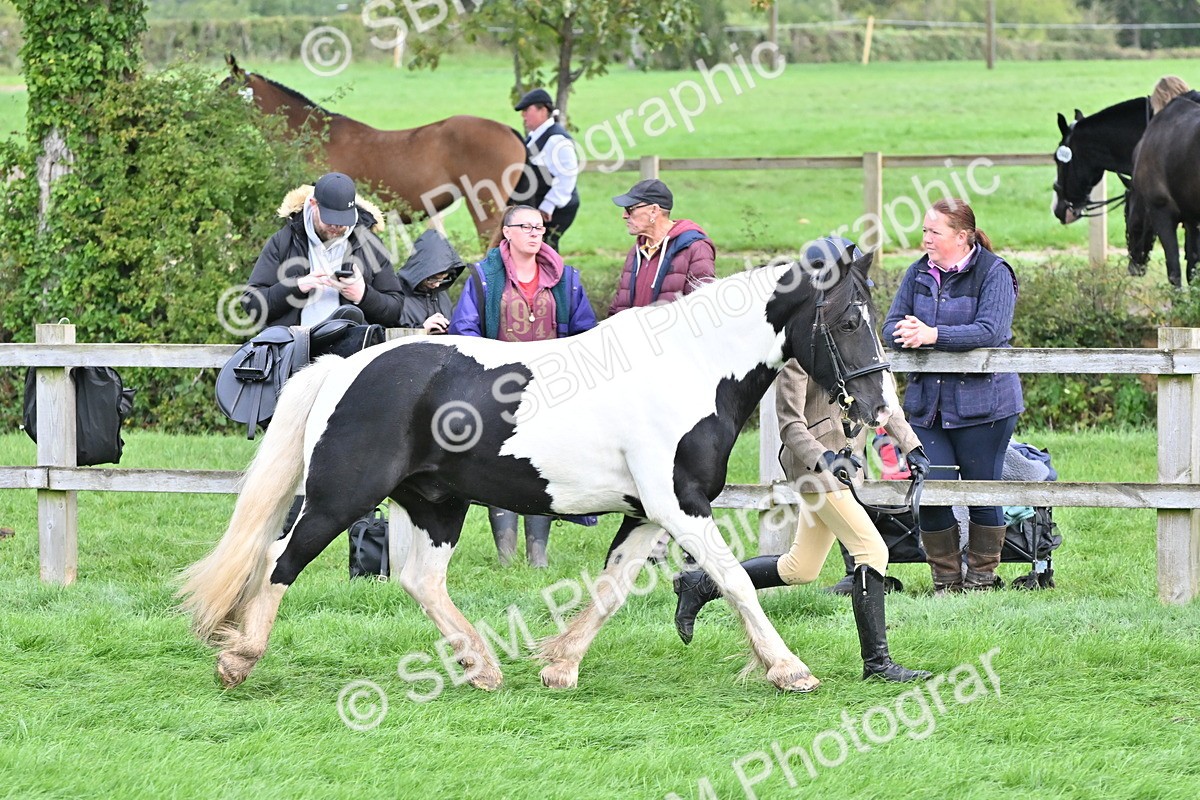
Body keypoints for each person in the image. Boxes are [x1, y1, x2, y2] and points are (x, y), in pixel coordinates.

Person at [671, 237, 933, 684]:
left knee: (800, 567)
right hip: (815, 471)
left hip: (847, 462)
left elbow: (880, 400)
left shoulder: (854, 329)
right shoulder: (799, 347)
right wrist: (824, 458)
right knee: (873, 549)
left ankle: (701, 583)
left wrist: (911, 445)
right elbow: (791, 425)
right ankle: (878, 665)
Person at [882, 198, 1024, 594]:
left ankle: (981, 579)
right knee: (930, 492)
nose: (925, 238)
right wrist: (907, 333)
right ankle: (946, 582)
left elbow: (991, 331)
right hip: (928, 407)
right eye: (925, 230)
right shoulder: (917, 273)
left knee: (982, 491)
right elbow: (891, 324)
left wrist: (933, 335)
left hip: (987, 406)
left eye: (934, 232)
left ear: (962, 237)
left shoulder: (994, 273)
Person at [449, 204, 598, 567]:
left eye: (540, 227)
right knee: (500, 465)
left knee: (542, 465)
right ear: (507, 233)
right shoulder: (485, 277)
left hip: (551, 388)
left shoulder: (566, 279)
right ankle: (505, 555)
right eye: (527, 227)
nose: (535, 233)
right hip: (499, 388)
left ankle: (538, 556)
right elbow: (464, 329)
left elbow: (586, 333)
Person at [242, 171, 402, 329]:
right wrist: (296, 286)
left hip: (353, 348)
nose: (335, 228)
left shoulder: (370, 244)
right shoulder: (283, 241)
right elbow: (251, 303)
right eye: (330, 220)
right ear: (313, 204)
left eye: (341, 222)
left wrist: (363, 295)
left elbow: (395, 311)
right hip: (295, 346)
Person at [607, 178, 716, 316]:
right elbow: (618, 309)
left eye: (630, 209)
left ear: (654, 210)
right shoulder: (636, 252)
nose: (624, 215)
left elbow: (702, 311)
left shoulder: (696, 248)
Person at [514, 88, 580, 251]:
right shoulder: (533, 138)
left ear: (543, 110)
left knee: (545, 251)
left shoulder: (557, 139)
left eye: (526, 110)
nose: (523, 115)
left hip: (555, 210)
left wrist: (548, 205)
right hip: (539, 208)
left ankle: (557, 277)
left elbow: (567, 176)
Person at [396, 229, 465, 334]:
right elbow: (385, 338)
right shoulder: (396, 293)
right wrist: (421, 330)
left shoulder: (440, 292)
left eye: (442, 280)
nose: (437, 284)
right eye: (433, 279)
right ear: (420, 272)